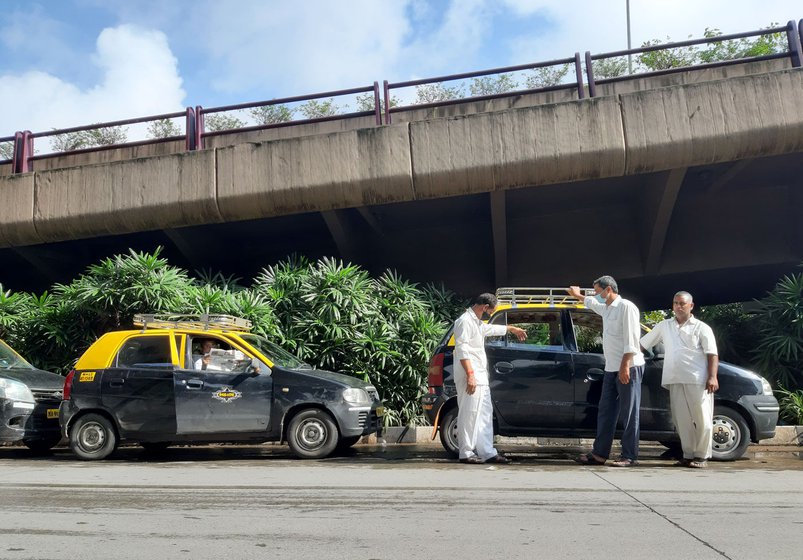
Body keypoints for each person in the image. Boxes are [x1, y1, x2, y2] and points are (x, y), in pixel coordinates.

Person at [567, 276, 645, 467]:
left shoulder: (626, 307)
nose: (596, 295)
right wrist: (578, 296)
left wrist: (625, 365)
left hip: (629, 366)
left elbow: (632, 340)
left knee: (629, 413)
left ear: (608, 289)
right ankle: (600, 453)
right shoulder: (607, 308)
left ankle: (629, 456)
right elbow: (592, 303)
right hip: (611, 368)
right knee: (606, 411)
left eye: (597, 291)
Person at [640, 291, 719, 468]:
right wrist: (627, 359)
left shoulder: (701, 327)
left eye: (682, 303)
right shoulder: (664, 325)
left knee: (702, 419)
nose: (678, 306)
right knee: (680, 420)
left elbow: (712, 354)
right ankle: (688, 454)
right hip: (674, 379)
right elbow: (643, 344)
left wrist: (713, 377)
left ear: (691, 305)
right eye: (675, 303)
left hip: (697, 379)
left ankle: (702, 456)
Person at [453, 293, 527, 464]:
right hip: (470, 374)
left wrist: (511, 329)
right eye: (491, 310)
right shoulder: (464, 321)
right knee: (469, 413)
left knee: (485, 414)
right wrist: (470, 375)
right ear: (485, 307)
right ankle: (466, 452)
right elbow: (462, 349)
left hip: (480, 375)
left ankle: (487, 452)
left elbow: (488, 329)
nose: (490, 313)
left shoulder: (477, 322)